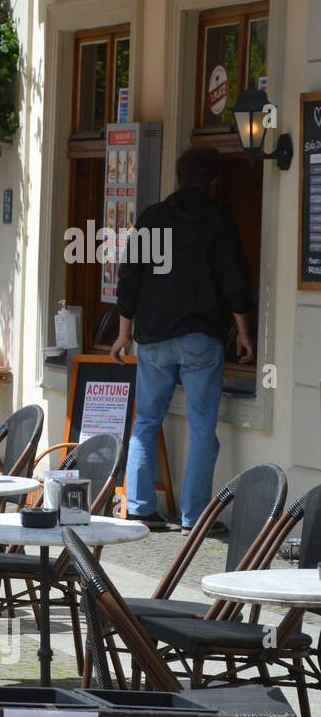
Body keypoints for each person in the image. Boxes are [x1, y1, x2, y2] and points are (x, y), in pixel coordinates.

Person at [111, 145, 254, 532]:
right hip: (200, 338)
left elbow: (130, 276)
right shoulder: (219, 218)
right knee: (202, 426)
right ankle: (194, 518)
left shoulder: (154, 217)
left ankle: (140, 509)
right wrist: (243, 332)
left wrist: (124, 332)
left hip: (153, 337)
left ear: (178, 178)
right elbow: (234, 277)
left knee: (146, 421)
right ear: (214, 182)